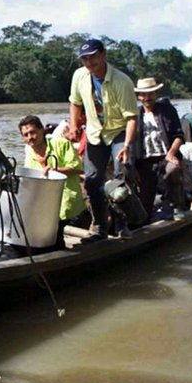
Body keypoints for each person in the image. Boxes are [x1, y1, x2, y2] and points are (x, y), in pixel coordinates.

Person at [66, 38, 138, 243]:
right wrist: (73, 127)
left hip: (119, 132)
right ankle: (99, 226)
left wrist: (126, 146)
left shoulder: (121, 81)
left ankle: (122, 224)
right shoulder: (79, 76)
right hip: (95, 132)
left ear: (103, 55)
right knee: (92, 179)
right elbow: (74, 103)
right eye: (85, 59)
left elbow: (132, 117)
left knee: (120, 180)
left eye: (93, 57)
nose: (89, 63)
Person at [19, 115, 86, 249]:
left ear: (42, 130)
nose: (30, 137)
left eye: (33, 132)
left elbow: (78, 168)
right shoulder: (30, 154)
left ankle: (59, 256)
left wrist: (55, 170)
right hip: (45, 204)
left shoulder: (60, 143)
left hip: (66, 201)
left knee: (54, 236)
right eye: (26, 135)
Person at [131, 78, 186, 221]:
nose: (147, 98)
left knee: (172, 170)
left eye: (150, 94)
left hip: (166, 156)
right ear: (139, 96)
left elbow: (179, 135)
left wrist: (171, 154)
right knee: (145, 198)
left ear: (156, 93)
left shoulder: (167, 110)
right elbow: (130, 142)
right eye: (143, 94)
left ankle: (177, 207)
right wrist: (133, 167)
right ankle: (144, 221)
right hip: (145, 162)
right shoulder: (135, 115)